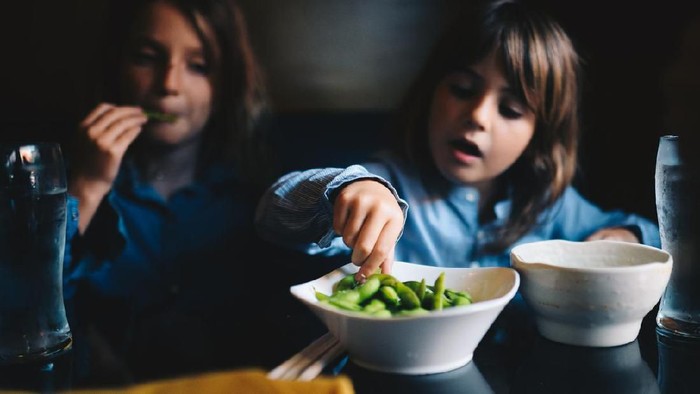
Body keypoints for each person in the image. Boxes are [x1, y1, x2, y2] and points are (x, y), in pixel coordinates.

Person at [254, 0, 661, 282]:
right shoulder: (391, 185)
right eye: (463, 89)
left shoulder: (549, 206)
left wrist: (624, 239)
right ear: (431, 91)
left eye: (511, 110)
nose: (478, 116)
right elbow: (274, 213)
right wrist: (350, 190)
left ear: (539, 136)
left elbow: (652, 235)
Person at [62, 0, 279, 383]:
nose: (168, 84)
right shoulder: (72, 185)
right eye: (147, 58)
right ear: (118, 66)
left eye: (199, 66)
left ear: (225, 84)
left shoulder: (256, 202)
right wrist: (88, 186)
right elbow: (32, 308)